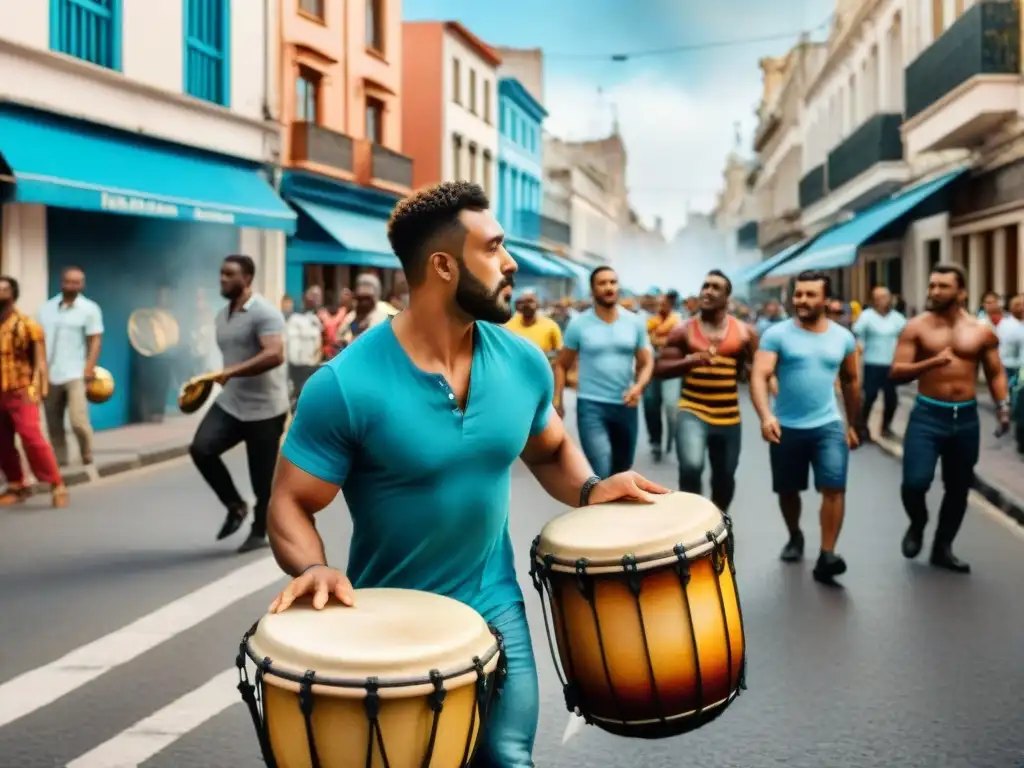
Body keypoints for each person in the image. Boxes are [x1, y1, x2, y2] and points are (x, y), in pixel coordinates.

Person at [264, 181, 668, 767]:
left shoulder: (524, 363)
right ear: (443, 266)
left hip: (496, 606)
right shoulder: (344, 385)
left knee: (508, 759)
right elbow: (289, 501)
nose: (511, 264)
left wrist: (590, 488)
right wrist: (314, 567)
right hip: (390, 621)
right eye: (494, 248)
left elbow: (549, 449)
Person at [890, 264, 1009, 574]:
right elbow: (897, 372)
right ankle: (918, 522)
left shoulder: (981, 330)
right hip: (928, 415)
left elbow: (995, 373)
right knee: (915, 482)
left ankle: (943, 547)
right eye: (932, 285)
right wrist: (932, 362)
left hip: (966, 418)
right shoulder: (917, 327)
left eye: (942, 286)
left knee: (958, 487)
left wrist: (1003, 407)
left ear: (961, 292)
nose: (934, 292)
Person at [750, 270, 861, 585]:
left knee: (835, 486)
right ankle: (795, 535)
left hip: (828, 424)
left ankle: (827, 554)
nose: (802, 300)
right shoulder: (777, 334)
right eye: (798, 294)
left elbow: (852, 382)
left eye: (810, 294)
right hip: (786, 426)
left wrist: (854, 424)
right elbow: (759, 374)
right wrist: (766, 416)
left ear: (826, 299)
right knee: (788, 489)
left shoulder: (843, 337)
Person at [188, 255, 289, 554]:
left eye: (229, 274)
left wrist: (229, 372)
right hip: (232, 403)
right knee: (201, 449)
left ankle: (260, 531)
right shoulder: (222, 315)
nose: (222, 279)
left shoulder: (265, 313)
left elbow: (275, 354)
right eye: (220, 273)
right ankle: (235, 505)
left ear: (247, 278)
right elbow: (226, 358)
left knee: (262, 481)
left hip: (265, 409)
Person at [655, 271, 756, 512]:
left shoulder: (744, 333)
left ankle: (718, 522)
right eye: (705, 286)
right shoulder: (683, 330)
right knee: (691, 467)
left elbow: (755, 372)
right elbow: (660, 368)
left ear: (727, 297)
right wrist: (690, 361)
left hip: (728, 417)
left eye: (716, 287)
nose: (708, 291)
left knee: (724, 477)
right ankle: (695, 523)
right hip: (693, 410)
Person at [553, 267, 654, 479]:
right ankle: (599, 508)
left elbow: (646, 362)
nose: (609, 287)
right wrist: (557, 401)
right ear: (592, 289)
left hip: (625, 405)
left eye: (613, 282)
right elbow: (561, 364)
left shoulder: (634, 323)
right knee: (601, 468)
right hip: (591, 406)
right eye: (602, 283)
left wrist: (638, 387)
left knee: (621, 471)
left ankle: (614, 512)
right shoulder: (579, 324)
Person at [0, 276, 68, 508]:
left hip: (21, 391)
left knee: (31, 437)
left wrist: (38, 389)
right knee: (2, 441)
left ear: (13, 295)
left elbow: (40, 362)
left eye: (4, 290)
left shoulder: (27, 325)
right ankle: (17, 484)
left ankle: (56, 484)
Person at [37, 266, 103, 467]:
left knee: (77, 420)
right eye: (68, 281)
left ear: (82, 284)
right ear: (61, 282)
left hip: (75, 372)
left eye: (76, 282)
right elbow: (38, 341)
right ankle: (61, 461)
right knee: (53, 423)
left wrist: (89, 367)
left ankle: (86, 449)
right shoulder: (46, 309)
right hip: (50, 373)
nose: (72, 286)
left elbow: (95, 340)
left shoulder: (89, 309)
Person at [853, 286, 906, 440]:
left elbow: (906, 335)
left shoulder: (897, 318)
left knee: (892, 399)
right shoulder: (866, 316)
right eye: (880, 297)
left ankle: (886, 427)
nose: (884, 300)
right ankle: (862, 428)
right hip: (872, 363)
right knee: (869, 397)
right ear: (874, 300)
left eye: (886, 297)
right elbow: (857, 335)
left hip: (891, 364)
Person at [644, 290, 683, 462]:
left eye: (664, 304)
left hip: (672, 369)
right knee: (651, 404)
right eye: (658, 304)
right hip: (652, 369)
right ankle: (656, 442)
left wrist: (657, 339)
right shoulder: (649, 321)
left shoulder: (678, 320)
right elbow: (645, 340)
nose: (660, 307)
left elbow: (674, 340)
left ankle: (671, 438)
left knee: (671, 406)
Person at [284, 286, 323, 409]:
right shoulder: (295, 320)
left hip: (314, 367)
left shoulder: (316, 319)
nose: (316, 299)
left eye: (318, 296)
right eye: (313, 296)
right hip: (300, 370)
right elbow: (292, 351)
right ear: (305, 298)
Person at [505, 290, 563, 361]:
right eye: (522, 302)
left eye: (530, 301)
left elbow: (560, 354)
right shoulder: (507, 326)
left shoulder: (551, 326)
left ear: (538, 304)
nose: (526, 305)